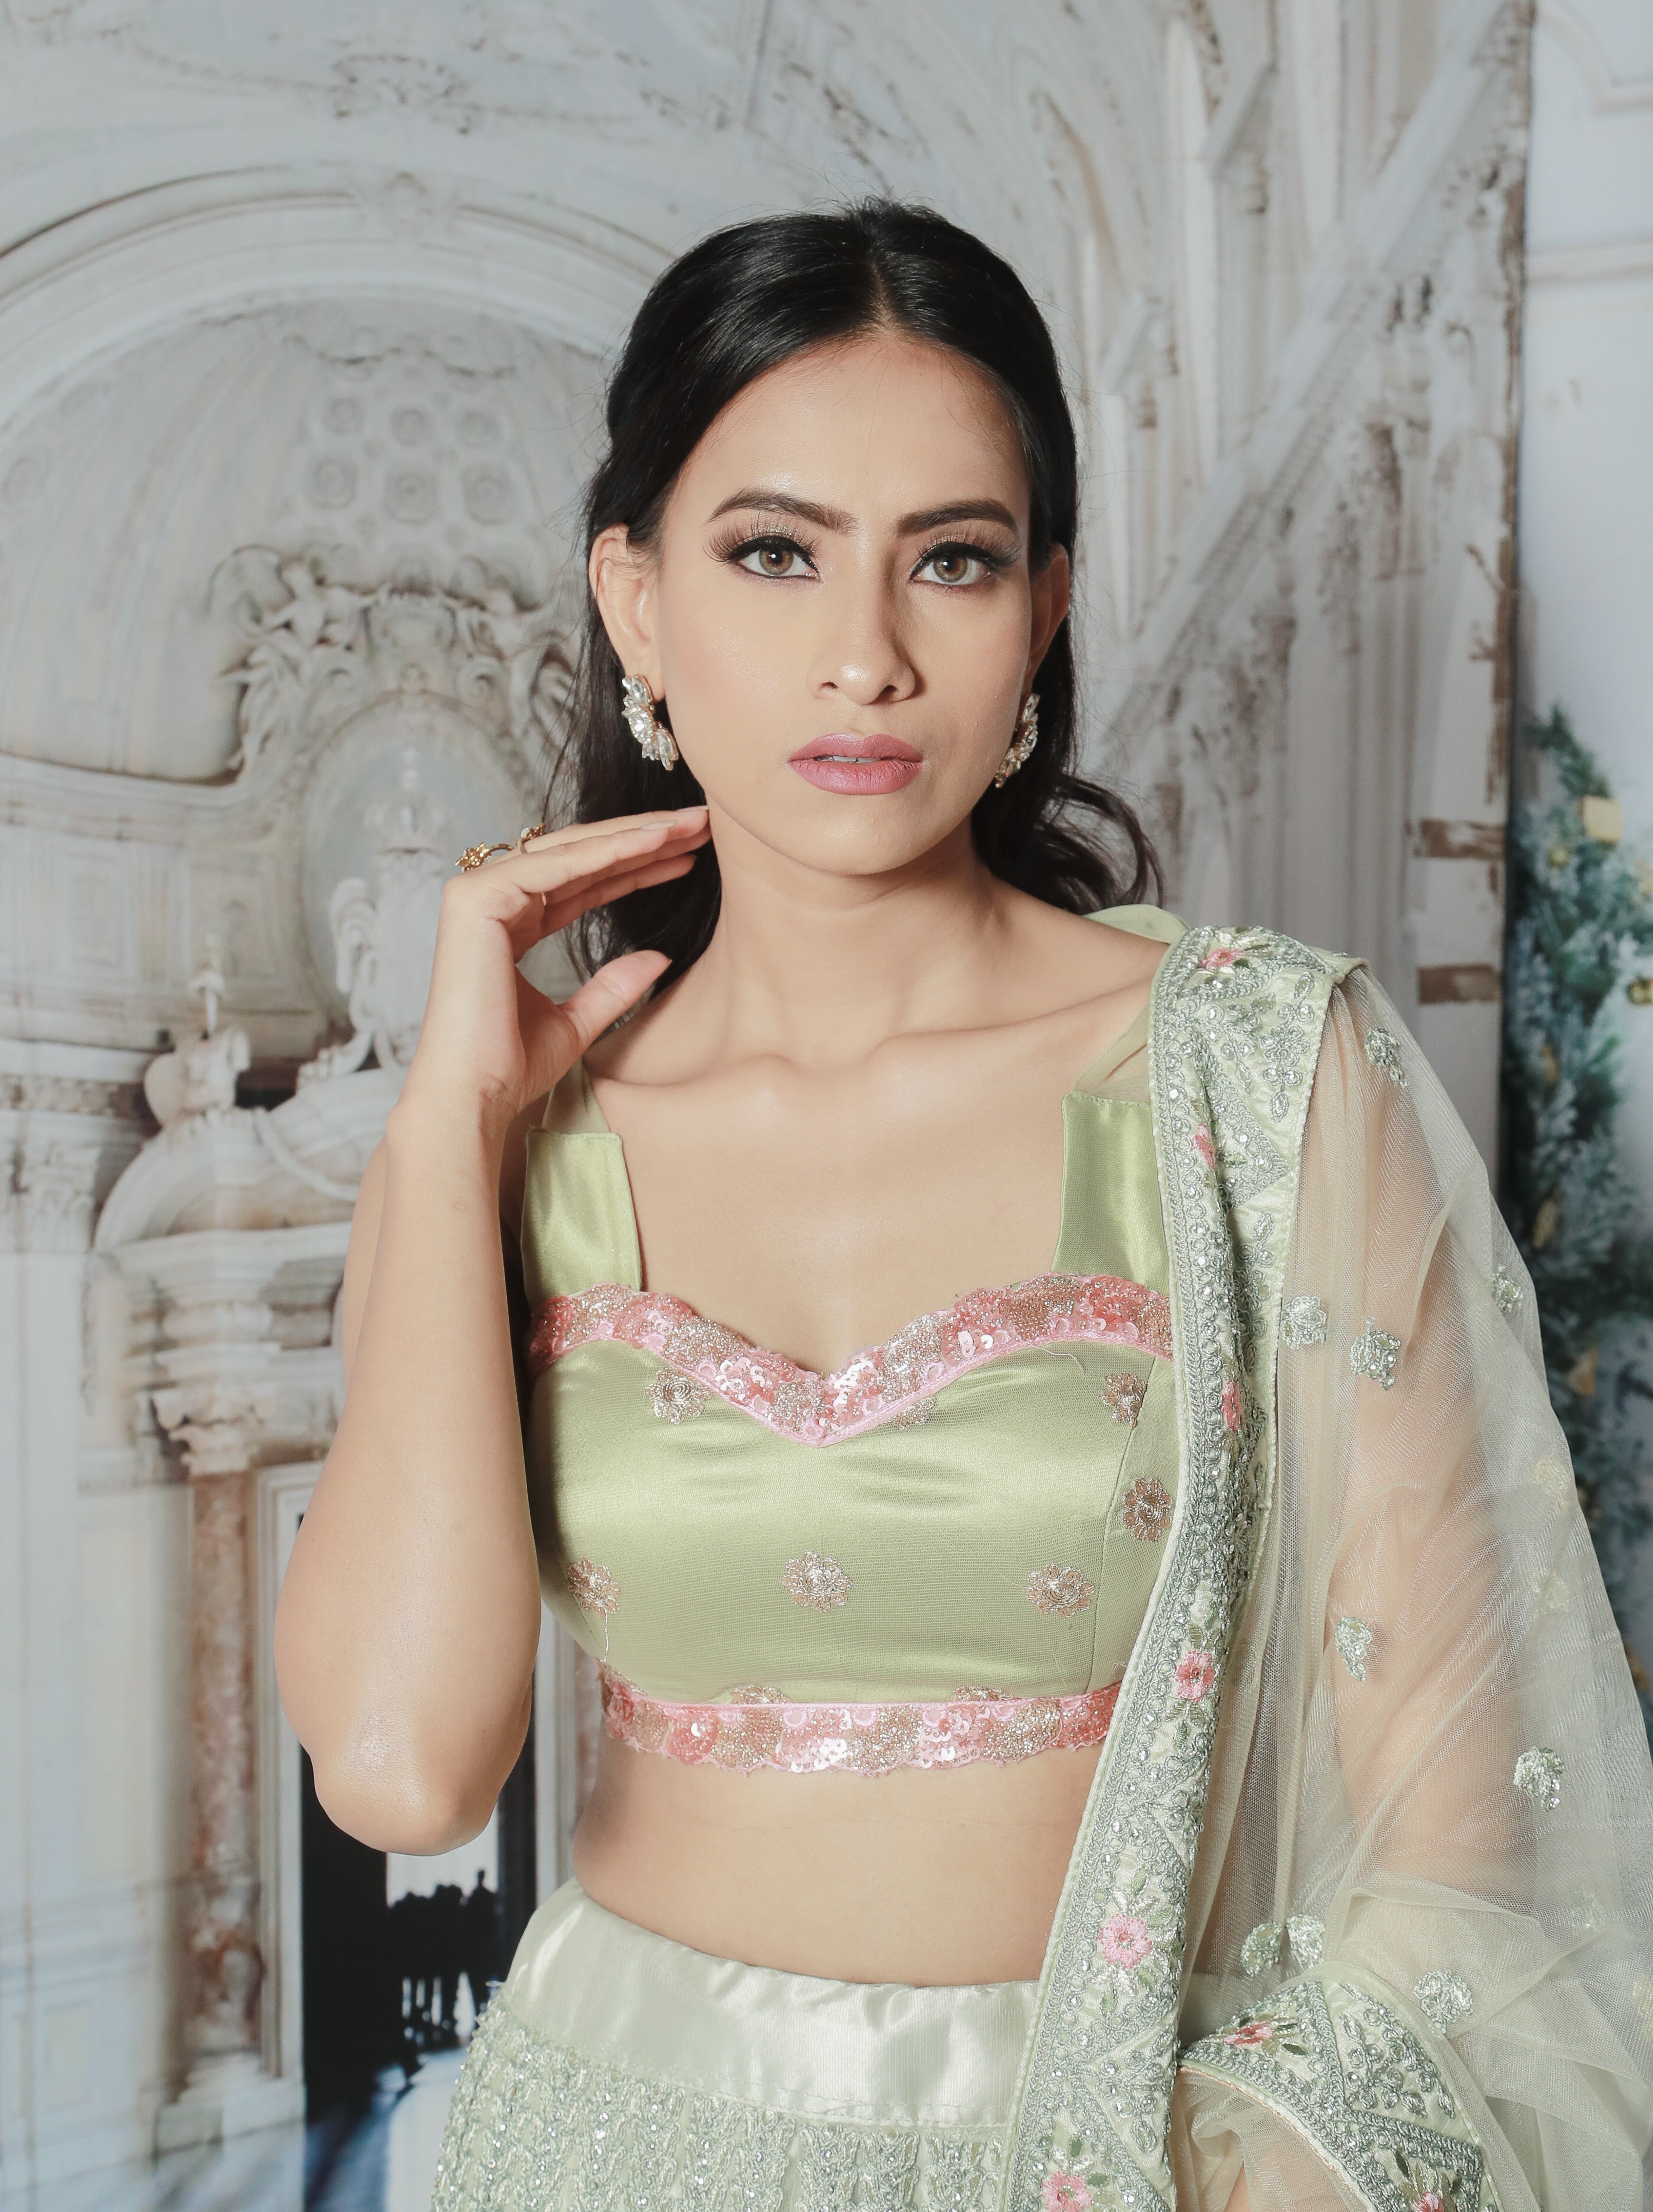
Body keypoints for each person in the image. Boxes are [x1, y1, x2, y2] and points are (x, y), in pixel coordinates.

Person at [274, 203, 1653, 2210]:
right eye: (773, 552)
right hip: (601, 2141)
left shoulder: (1259, 1076)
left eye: (952, 557)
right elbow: (404, 1768)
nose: (866, 653)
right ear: (634, 600)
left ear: (1044, 609)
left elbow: (1466, 1842)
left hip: (1124, 2159)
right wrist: (440, 1132)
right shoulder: (505, 1145)